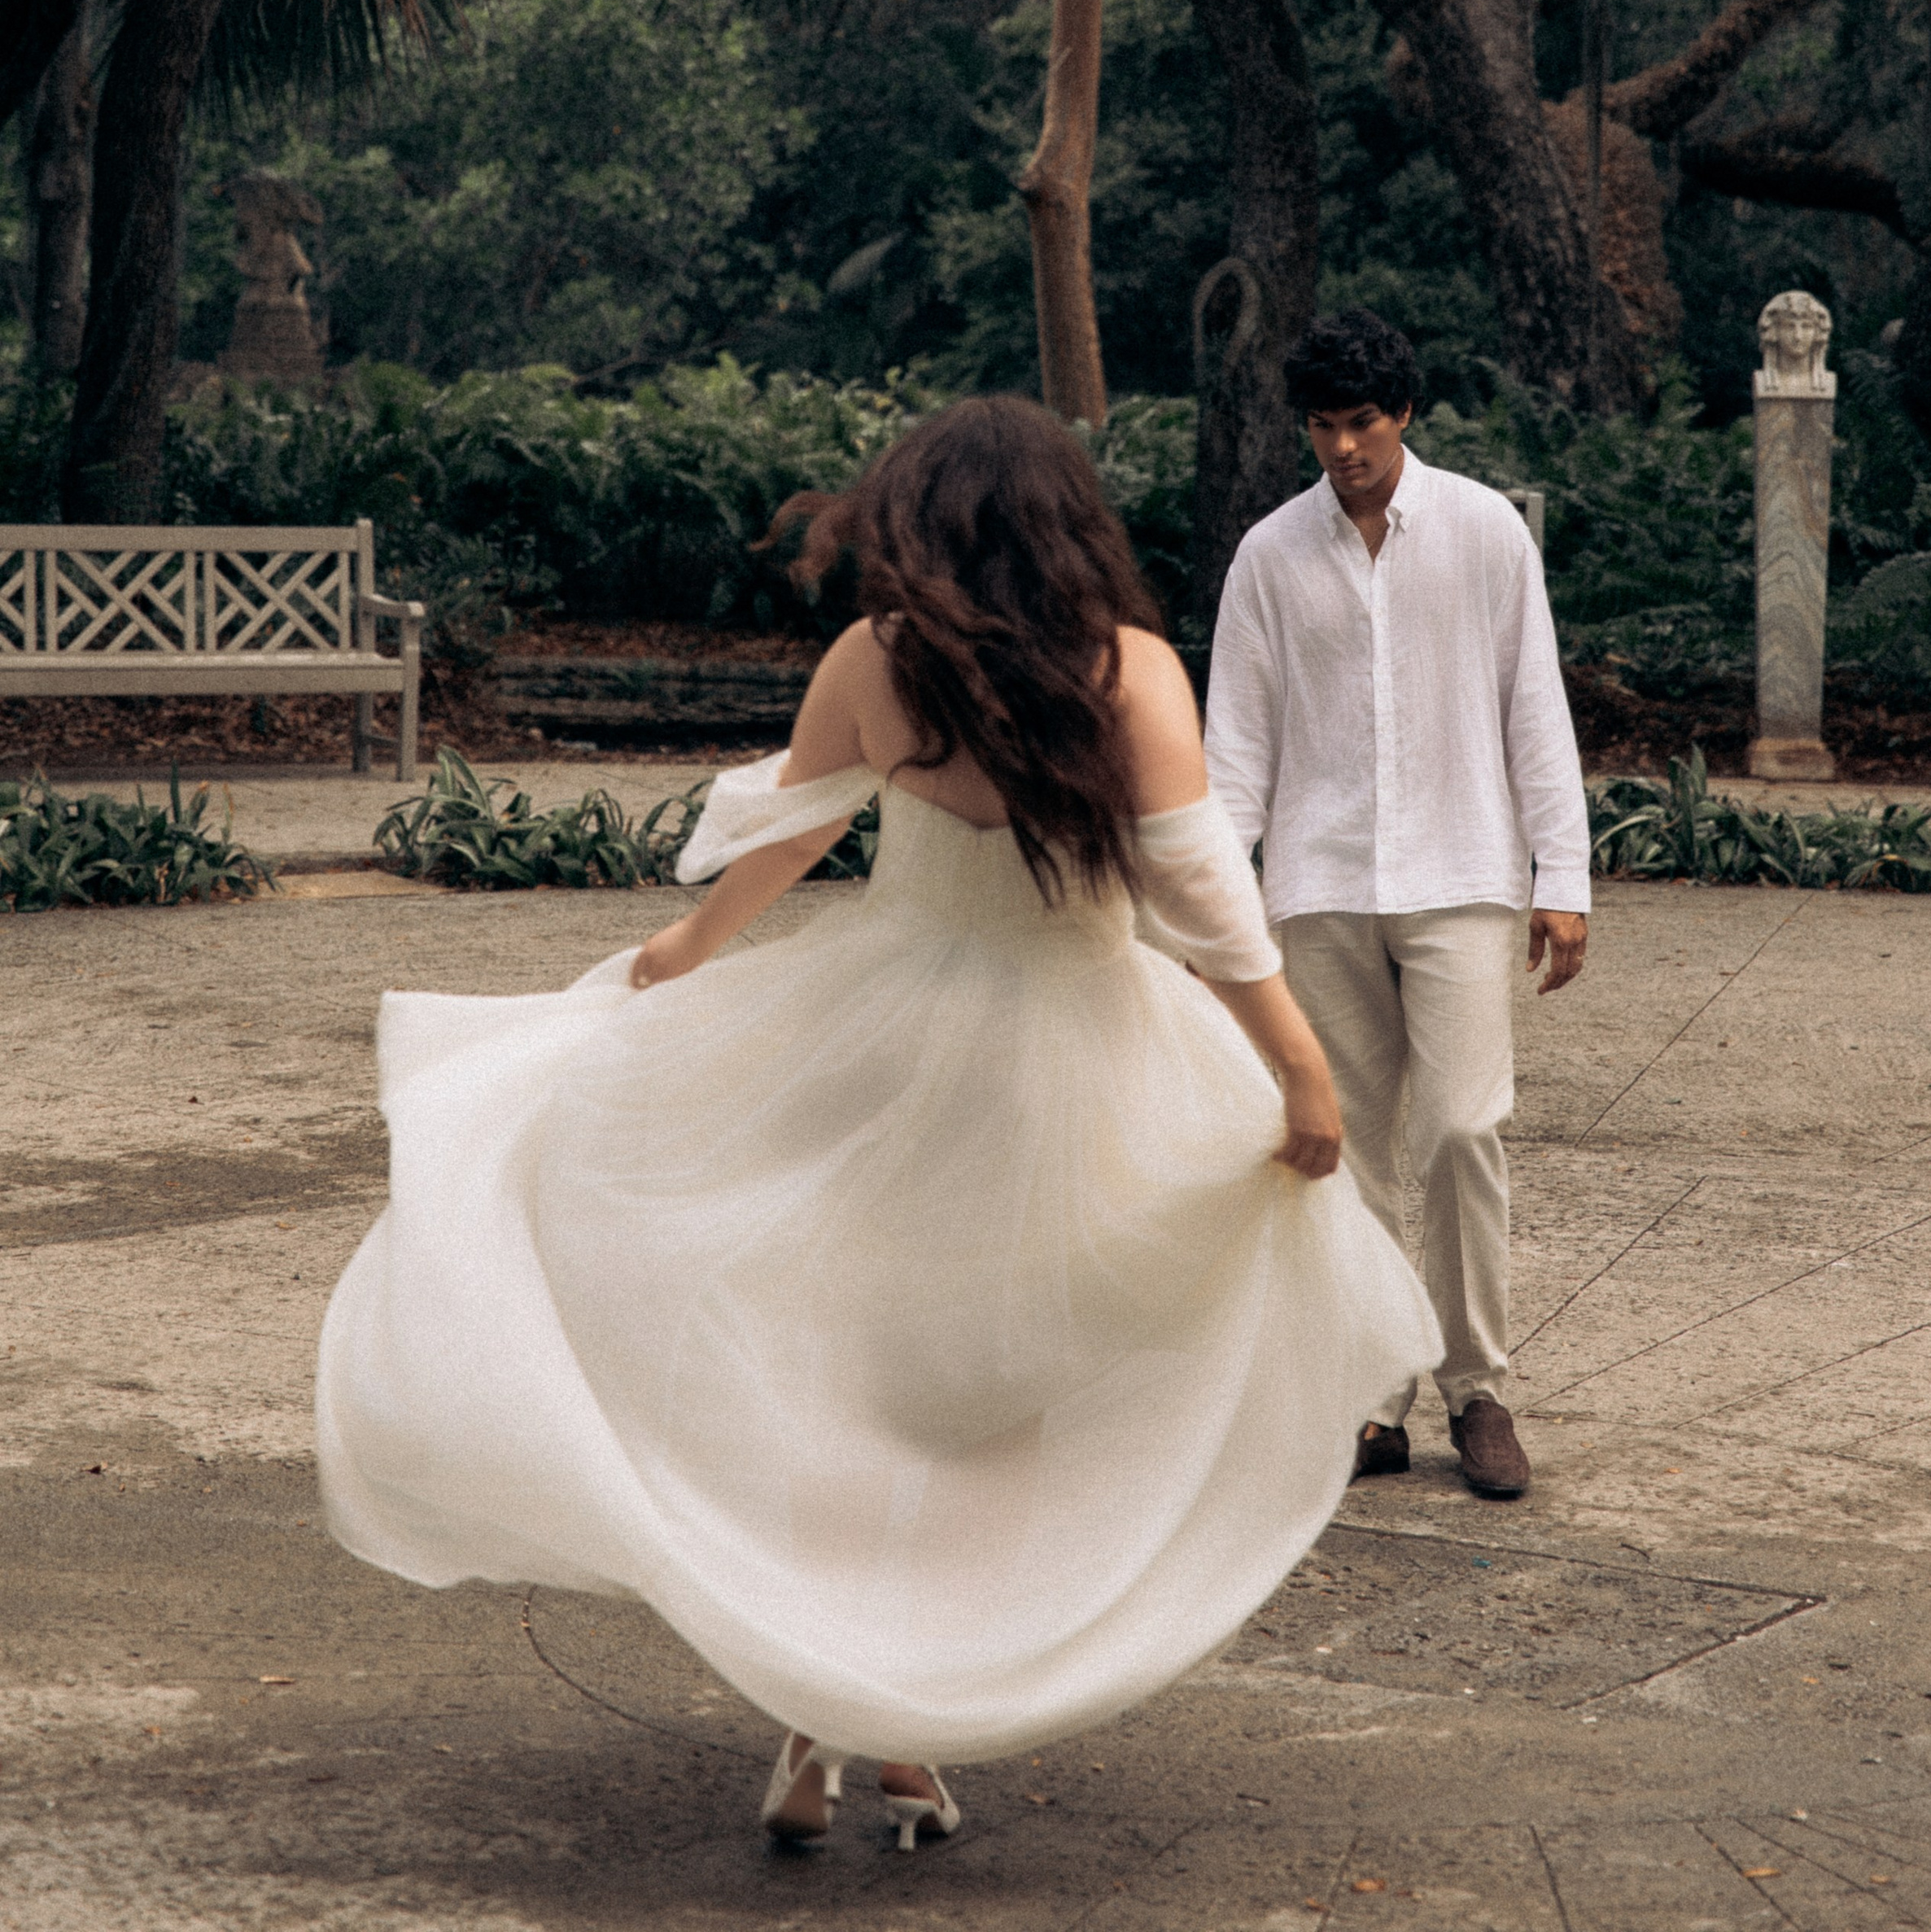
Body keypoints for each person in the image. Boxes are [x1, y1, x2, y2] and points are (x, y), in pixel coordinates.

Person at [317, 396, 1439, 1851]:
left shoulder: (875, 660)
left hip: (884, 1044)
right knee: (1003, 1404)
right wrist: (1302, 1071)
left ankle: (821, 1720)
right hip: (1077, 1058)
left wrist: (686, 955)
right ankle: (912, 1721)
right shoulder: (1133, 673)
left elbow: (792, 832)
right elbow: (1207, 906)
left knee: (858, 1379)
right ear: (1067, 523)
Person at [1203, 311, 1589, 1502]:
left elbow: (1535, 703)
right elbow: (1235, 752)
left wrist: (1562, 879)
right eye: (1322, 426)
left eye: (1361, 422)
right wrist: (1217, 909)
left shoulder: (1482, 534)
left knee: (1466, 1131)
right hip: (1319, 887)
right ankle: (1372, 1400)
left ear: (1403, 413)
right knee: (1345, 1151)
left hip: (1464, 872)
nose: (1342, 448)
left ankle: (1479, 1389)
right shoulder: (1270, 555)